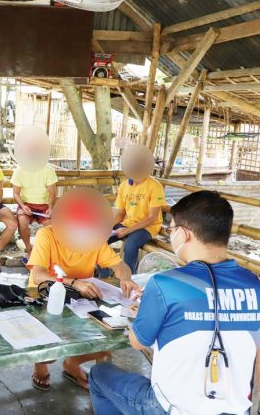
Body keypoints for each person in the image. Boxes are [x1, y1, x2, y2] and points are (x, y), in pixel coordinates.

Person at [90, 190, 260, 415]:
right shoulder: (254, 285)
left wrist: (142, 314)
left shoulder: (165, 284)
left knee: (99, 374)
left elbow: (138, 342)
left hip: (169, 409)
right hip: (237, 411)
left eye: (172, 230)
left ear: (185, 234)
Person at [27, 189, 137, 391]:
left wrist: (127, 278)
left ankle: (72, 364)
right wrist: (75, 282)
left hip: (81, 298)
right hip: (45, 295)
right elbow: (38, 275)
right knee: (49, 350)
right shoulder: (47, 235)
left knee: (107, 343)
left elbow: (120, 266)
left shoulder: (94, 240)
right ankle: (41, 366)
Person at [107, 145, 166, 274]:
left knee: (130, 245)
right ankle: (105, 275)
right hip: (128, 224)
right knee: (100, 239)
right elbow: (119, 213)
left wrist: (127, 230)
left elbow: (152, 217)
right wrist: (105, 228)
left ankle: (130, 280)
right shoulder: (124, 186)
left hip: (148, 227)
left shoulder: (155, 186)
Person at [11, 162, 58, 258]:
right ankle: (29, 249)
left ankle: (45, 251)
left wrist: (50, 207)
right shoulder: (19, 170)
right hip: (26, 204)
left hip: (44, 205)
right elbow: (15, 193)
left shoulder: (48, 169)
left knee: (50, 226)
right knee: (22, 223)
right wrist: (22, 206)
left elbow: (52, 192)